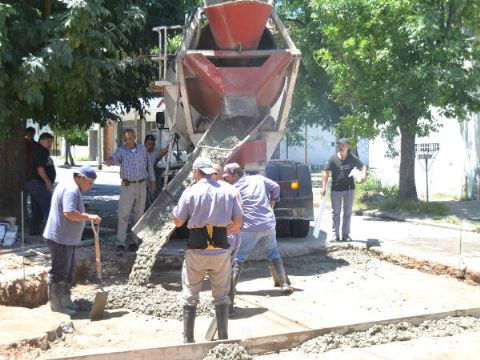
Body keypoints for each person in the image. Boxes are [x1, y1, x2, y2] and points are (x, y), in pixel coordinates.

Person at [173, 158, 243, 343]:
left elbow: (178, 221)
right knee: (221, 296)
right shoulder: (228, 191)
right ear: (211, 172)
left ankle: (188, 340)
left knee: (190, 295)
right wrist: (224, 230)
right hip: (220, 250)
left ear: (196, 172)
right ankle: (223, 340)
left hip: (197, 251)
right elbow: (238, 221)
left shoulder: (191, 191)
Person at [223, 163, 293, 296]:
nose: (226, 179)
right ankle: (284, 284)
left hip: (249, 227)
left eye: (227, 177)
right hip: (268, 224)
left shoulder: (234, 188)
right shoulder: (258, 178)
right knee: (273, 253)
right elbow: (276, 187)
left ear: (235, 175)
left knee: (239, 257)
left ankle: (230, 290)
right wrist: (272, 204)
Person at [43, 166, 101, 315]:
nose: (91, 186)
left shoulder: (69, 185)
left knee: (68, 271)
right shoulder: (71, 190)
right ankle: (57, 305)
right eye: (90, 183)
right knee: (59, 271)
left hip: (66, 238)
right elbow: (69, 213)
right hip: (60, 238)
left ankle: (65, 300)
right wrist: (89, 217)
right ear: (81, 177)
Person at [106, 129, 156, 252]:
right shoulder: (122, 150)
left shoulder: (142, 149)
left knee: (139, 214)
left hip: (142, 184)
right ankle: (121, 242)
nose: (128, 141)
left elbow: (149, 165)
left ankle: (134, 240)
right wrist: (110, 160)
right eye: (126, 139)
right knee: (124, 214)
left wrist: (153, 180)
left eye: (130, 138)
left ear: (135, 137)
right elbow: (115, 157)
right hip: (128, 186)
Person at [320, 138, 368, 242]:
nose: (342, 146)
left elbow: (363, 166)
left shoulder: (352, 158)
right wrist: (323, 186)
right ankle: (335, 235)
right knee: (336, 213)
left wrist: (363, 176)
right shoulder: (332, 159)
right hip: (336, 189)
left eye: (344, 145)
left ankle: (346, 235)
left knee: (347, 212)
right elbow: (326, 172)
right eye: (340, 145)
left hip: (349, 189)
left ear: (348, 146)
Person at [212, 163, 242, 313]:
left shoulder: (213, 190)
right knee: (228, 271)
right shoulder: (233, 189)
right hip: (235, 235)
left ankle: (222, 309)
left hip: (223, 237)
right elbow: (240, 214)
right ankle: (229, 306)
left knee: (219, 273)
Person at [25, 132, 56, 235]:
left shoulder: (40, 150)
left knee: (37, 208)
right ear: (41, 141)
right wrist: (47, 182)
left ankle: (34, 230)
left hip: (34, 183)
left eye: (51, 142)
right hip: (38, 183)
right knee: (49, 206)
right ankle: (53, 232)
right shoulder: (41, 151)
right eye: (48, 142)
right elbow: (40, 168)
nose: (50, 145)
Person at [144, 134, 168, 210]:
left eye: (153, 144)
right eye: (149, 144)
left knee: (150, 202)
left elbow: (164, 151)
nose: (150, 146)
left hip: (150, 181)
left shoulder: (155, 152)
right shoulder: (139, 152)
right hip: (140, 182)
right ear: (145, 143)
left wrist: (173, 141)